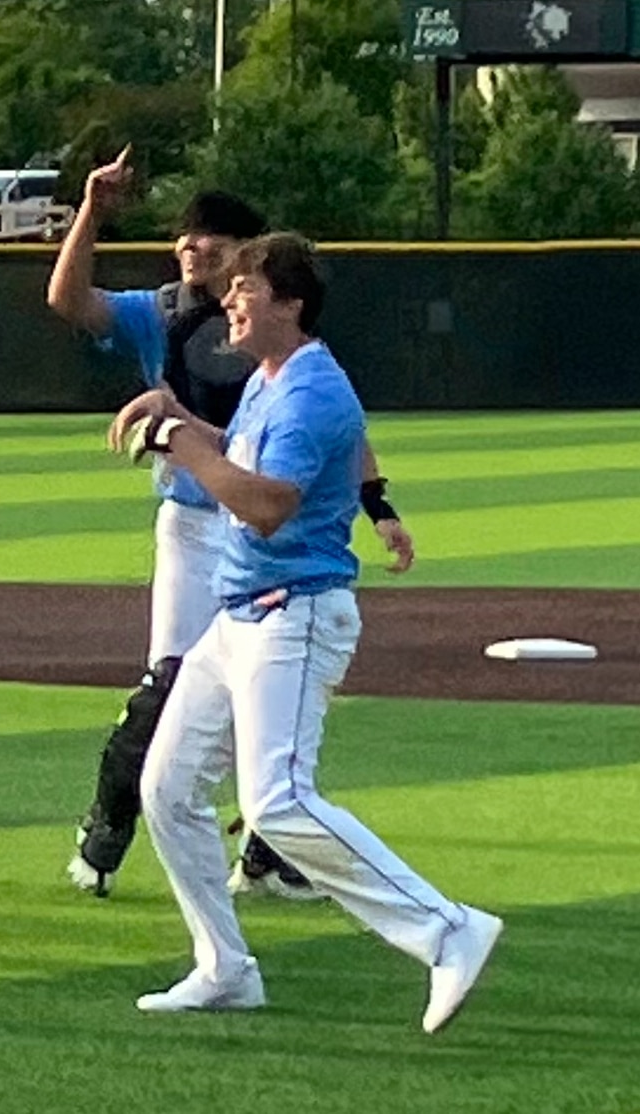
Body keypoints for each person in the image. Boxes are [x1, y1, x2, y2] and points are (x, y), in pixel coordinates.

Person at [110, 232, 500, 1032]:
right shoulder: (268, 379)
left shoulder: (312, 391)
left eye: (244, 289)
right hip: (241, 614)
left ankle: (448, 929)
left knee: (278, 804)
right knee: (167, 788)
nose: (228, 302)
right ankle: (223, 967)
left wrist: (176, 443)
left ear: (287, 303)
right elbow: (242, 461)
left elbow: (266, 504)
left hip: (296, 613)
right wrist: (180, 418)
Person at [45, 150, 417, 899]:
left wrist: (377, 505)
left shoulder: (275, 331)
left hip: (265, 527)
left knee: (260, 693)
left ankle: (265, 849)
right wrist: (91, 208)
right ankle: (107, 826)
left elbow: (337, 427)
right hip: (193, 524)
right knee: (173, 684)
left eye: (209, 241)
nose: (192, 250)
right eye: (184, 238)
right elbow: (68, 300)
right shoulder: (161, 311)